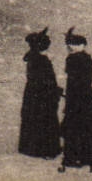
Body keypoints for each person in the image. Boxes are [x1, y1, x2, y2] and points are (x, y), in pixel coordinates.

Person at [59, 28, 92, 172]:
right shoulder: (87, 58)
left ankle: (73, 158)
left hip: (75, 99)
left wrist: (68, 97)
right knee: (87, 128)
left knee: (73, 128)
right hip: (87, 98)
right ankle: (90, 159)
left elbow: (72, 82)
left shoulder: (72, 59)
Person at [18, 28, 62, 160]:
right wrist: (56, 91)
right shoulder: (42, 61)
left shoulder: (33, 59)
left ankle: (33, 149)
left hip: (33, 95)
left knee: (34, 120)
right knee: (45, 120)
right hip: (43, 97)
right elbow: (46, 81)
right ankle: (46, 150)